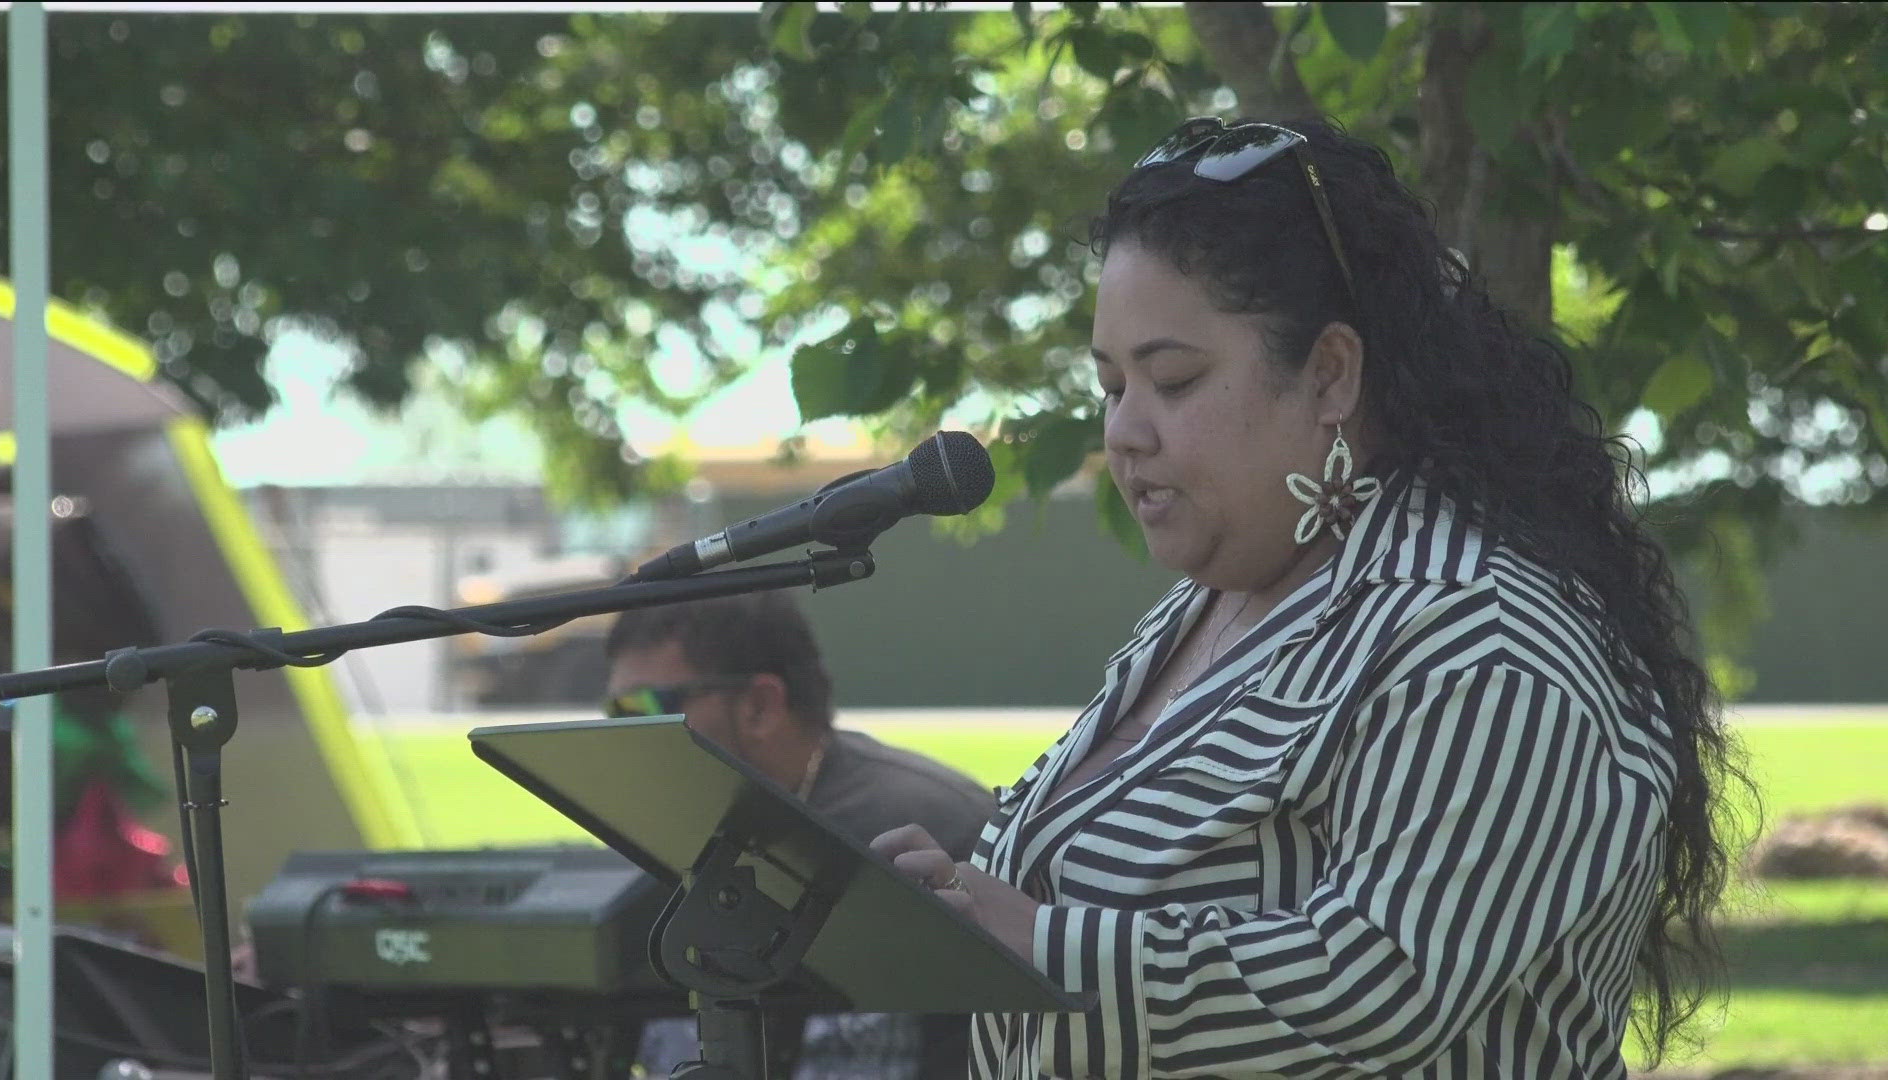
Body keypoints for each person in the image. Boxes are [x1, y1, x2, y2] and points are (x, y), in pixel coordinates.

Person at [874, 116, 1748, 1078]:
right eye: (1111, 386)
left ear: (1330, 374)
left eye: (1172, 378)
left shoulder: (1483, 639)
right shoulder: (1220, 603)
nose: (1124, 431)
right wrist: (948, 898)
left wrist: (1039, 940)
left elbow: (1386, 978)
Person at [602, 589, 996, 1079]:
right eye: (618, 712)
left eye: (645, 706)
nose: (630, 734)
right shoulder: (680, 821)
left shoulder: (930, 827)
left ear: (761, 706)